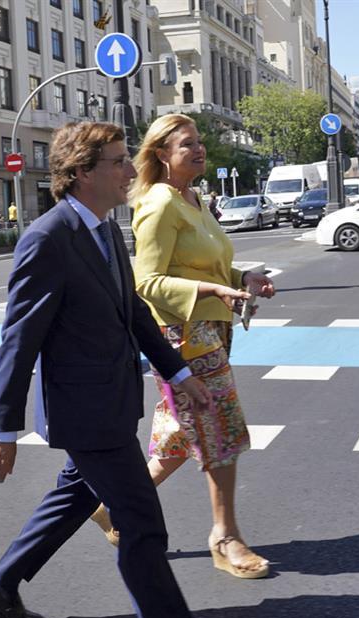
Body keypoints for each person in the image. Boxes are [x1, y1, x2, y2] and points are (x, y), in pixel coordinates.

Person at [0, 121, 232, 618]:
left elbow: (134, 313)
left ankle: (1, 584)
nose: (128, 170)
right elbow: (20, 338)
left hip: (112, 402)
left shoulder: (108, 230)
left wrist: (179, 375)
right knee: (141, 521)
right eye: (117, 161)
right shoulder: (47, 238)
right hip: (84, 413)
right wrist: (2, 429)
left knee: (73, 497)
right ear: (82, 173)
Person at [88, 113, 276, 580]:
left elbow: (206, 267)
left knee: (178, 439)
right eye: (187, 144)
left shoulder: (194, 199)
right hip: (183, 339)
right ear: (161, 155)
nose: (199, 149)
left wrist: (240, 279)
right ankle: (225, 536)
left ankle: (109, 508)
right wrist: (214, 293)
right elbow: (146, 282)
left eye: (199, 142)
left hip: (210, 332)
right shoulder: (157, 203)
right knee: (222, 432)